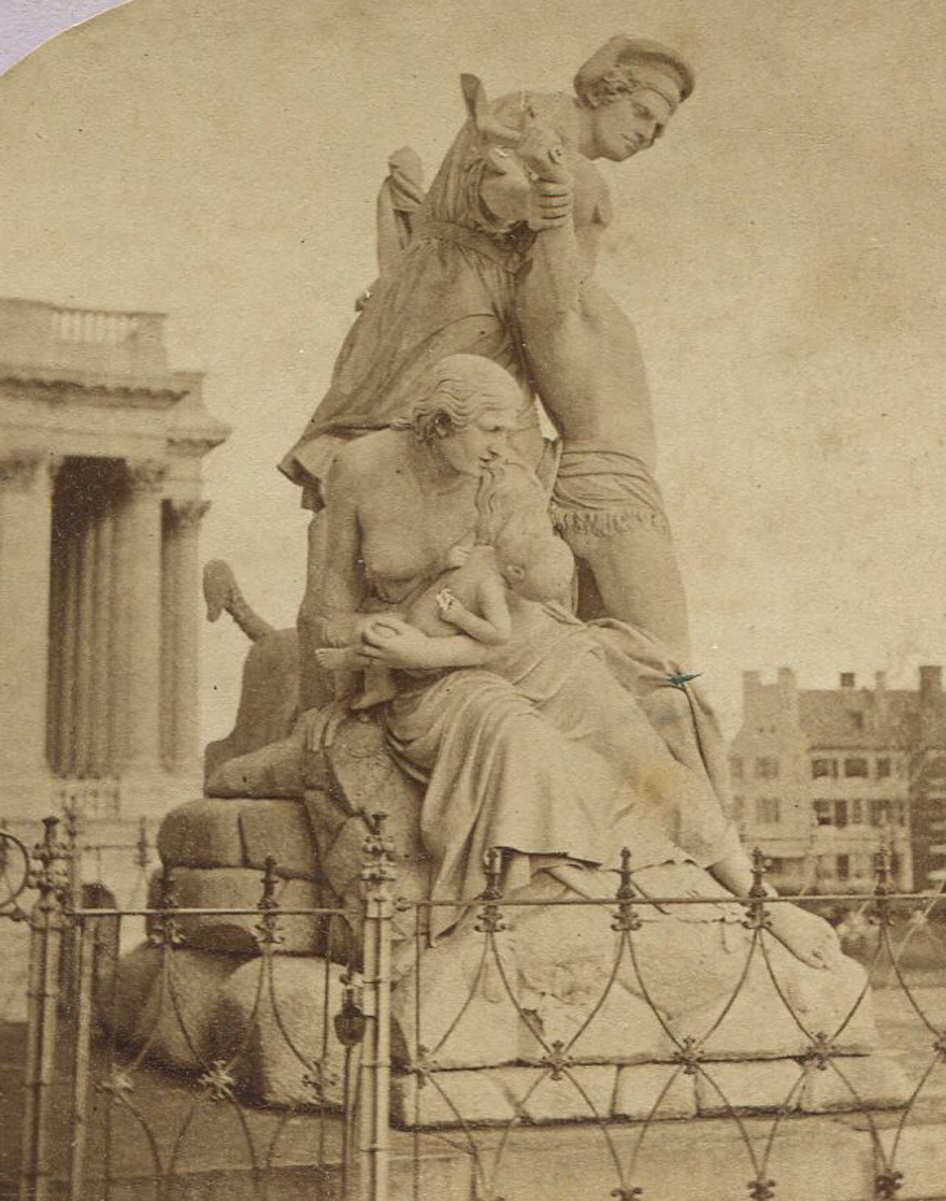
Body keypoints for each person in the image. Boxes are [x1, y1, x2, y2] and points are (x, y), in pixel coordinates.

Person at [306, 354, 840, 969]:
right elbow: (330, 602)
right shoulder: (362, 468)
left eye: (509, 430)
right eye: (490, 429)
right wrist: (349, 674)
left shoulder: (505, 480)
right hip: (435, 672)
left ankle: (762, 904)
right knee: (512, 736)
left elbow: (538, 575)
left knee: (647, 759)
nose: (502, 445)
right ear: (443, 421)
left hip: (533, 648)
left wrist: (520, 541)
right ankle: (501, 912)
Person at [281, 37, 699, 708]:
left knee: (474, 480)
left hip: (457, 311)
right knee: (464, 471)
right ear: (606, 92)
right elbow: (503, 205)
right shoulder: (540, 124)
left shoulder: (554, 149)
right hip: (458, 319)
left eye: (660, 128)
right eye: (644, 113)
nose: (648, 134)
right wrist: (545, 206)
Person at [314, 521, 576, 708]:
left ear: (516, 571)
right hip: (412, 620)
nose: (524, 533)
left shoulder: (491, 589)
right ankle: (380, 684)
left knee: (378, 636)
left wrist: (461, 617)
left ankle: (353, 661)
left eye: (528, 540)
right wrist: (447, 560)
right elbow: (464, 546)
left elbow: (499, 634)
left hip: (427, 640)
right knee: (373, 626)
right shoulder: (484, 552)